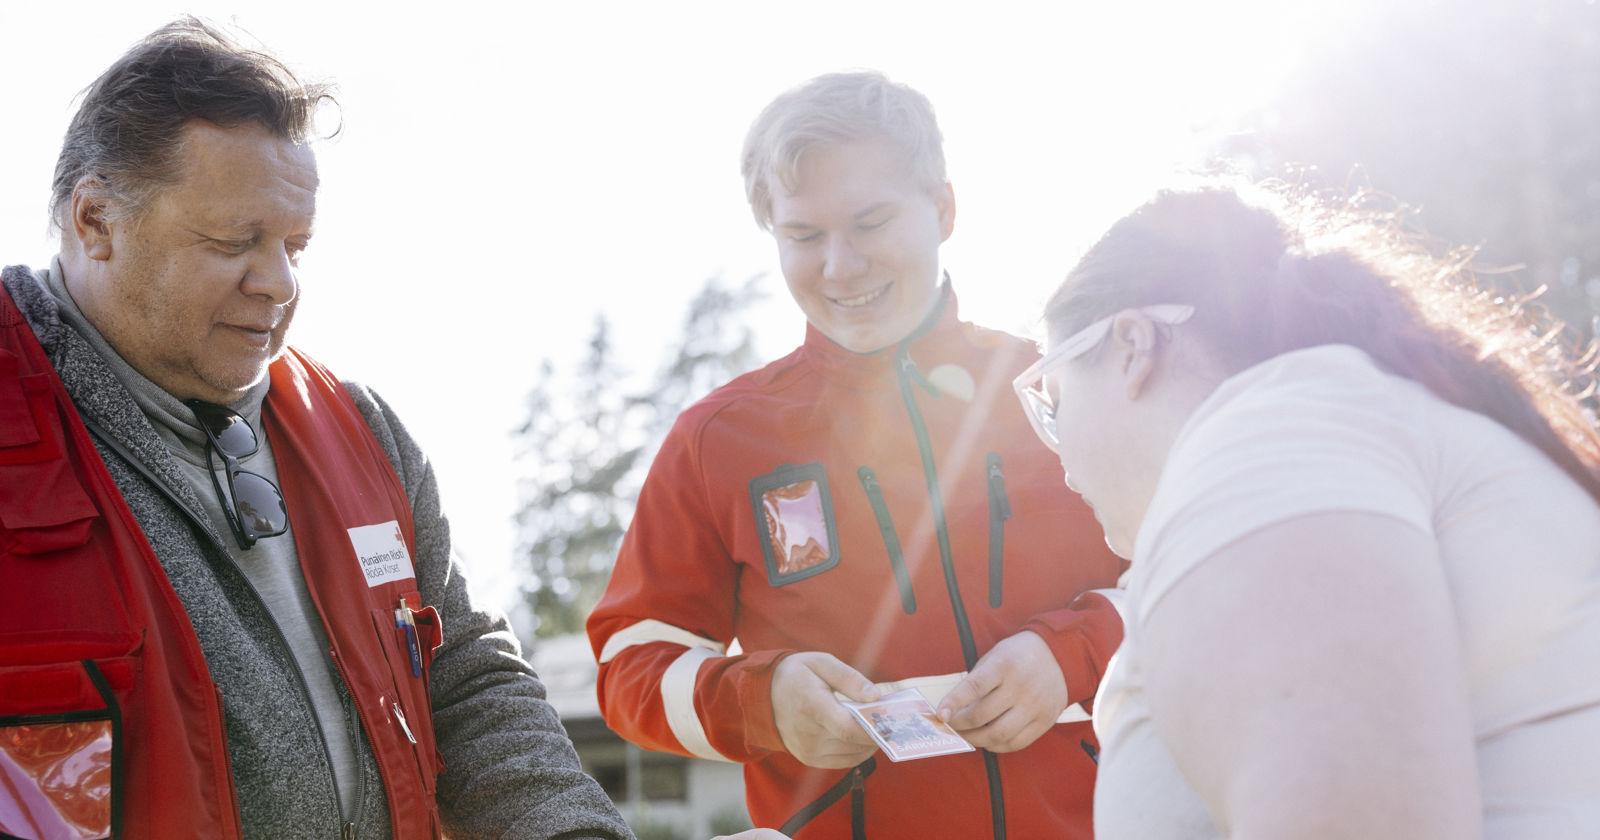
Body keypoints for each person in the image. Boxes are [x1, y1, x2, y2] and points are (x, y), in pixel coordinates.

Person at [0, 18, 632, 840]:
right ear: (95, 221)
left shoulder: (365, 434)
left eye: (296, 245)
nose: (279, 283)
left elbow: (466, 680)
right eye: (235, 242)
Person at [586, 70, 1125, 839]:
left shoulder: (1071, 386)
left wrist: (1075, 656)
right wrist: (761, 701)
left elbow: (1193, 585)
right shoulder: (716, 439)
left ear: (943, 209)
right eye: (803, 236)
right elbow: (630, 666)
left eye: (870, 223)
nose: (839, 267)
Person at [1017, 180, 1600, 838]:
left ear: (1131, 345)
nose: (1062, 462)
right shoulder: (1339, 431)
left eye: (1055, 403)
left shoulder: (1267, 444)